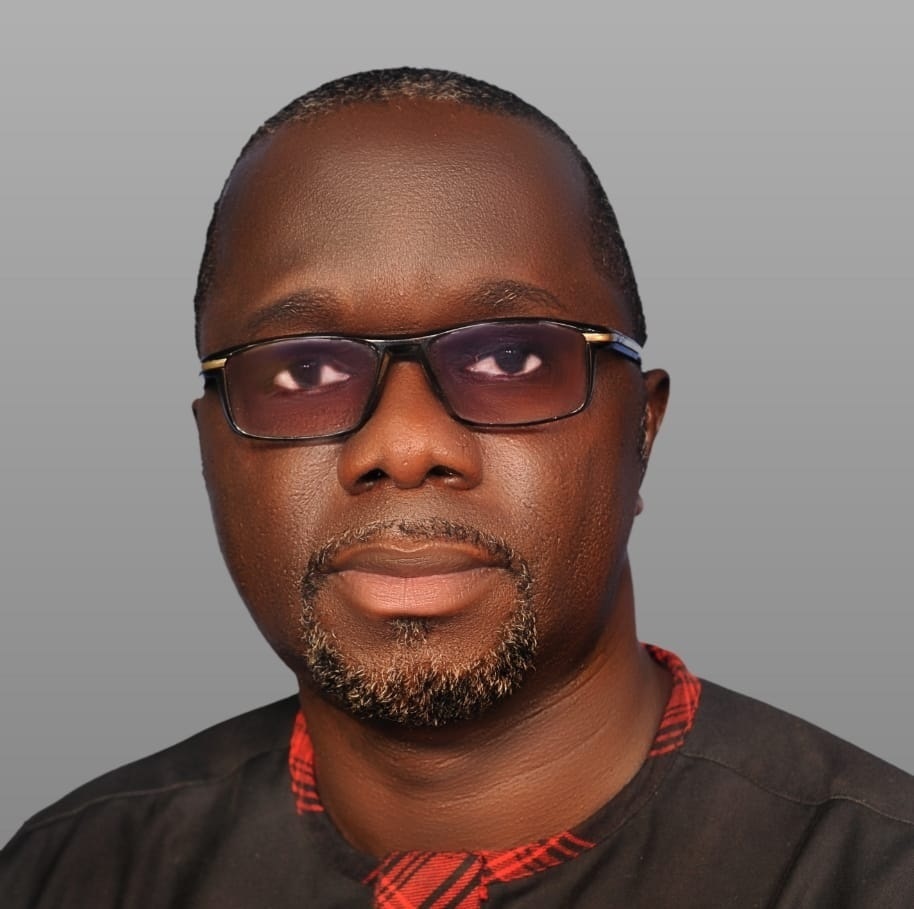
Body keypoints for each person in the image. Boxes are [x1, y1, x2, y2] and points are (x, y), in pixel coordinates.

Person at [2, 67, 912, 908]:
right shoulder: (68, 875)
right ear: (212, 454)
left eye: (511, 357)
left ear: (641, 427)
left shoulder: (873, 874)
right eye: (305, 371)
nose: (404, 445)